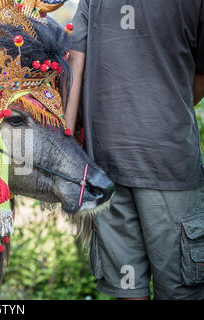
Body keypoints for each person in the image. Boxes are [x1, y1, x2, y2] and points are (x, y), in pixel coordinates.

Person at [66, 0, 204, 299]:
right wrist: (165, 113)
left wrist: (66, 141)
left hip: (107, 169)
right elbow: (199, 80)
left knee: (128, 291)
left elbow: (74, 63)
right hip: (170, 164)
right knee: (181, 292)